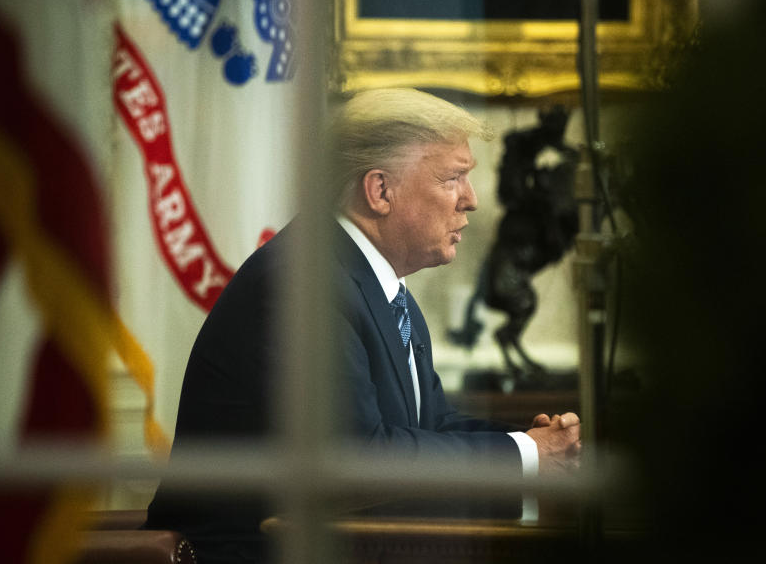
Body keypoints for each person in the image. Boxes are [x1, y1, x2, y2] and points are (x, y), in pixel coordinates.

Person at [144, 88, 581, 564]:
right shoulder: (302, 284)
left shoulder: (381, 287)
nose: (471, 201)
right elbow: (350, 461)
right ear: (379, 191)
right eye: (454, 177)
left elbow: (429, 425)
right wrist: (526, 456)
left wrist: (528, 444)